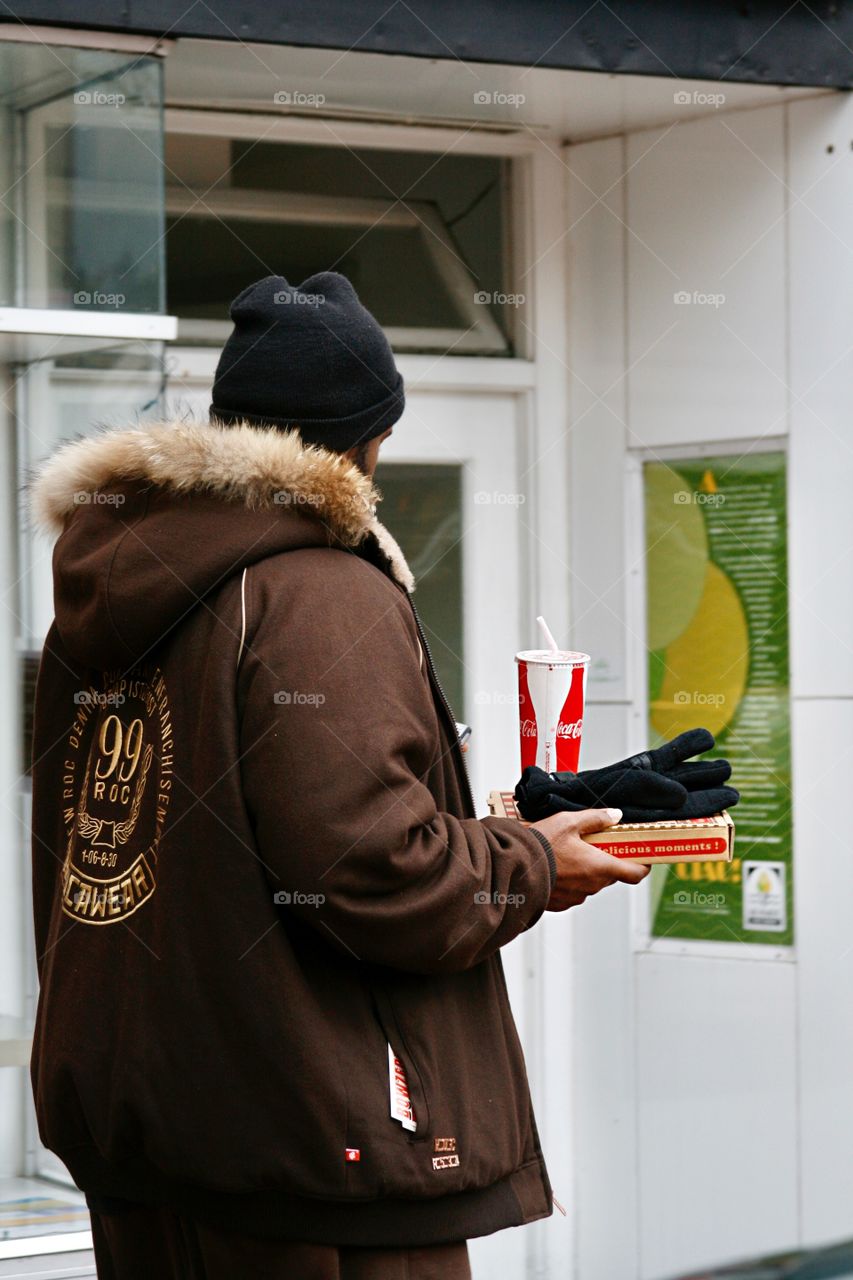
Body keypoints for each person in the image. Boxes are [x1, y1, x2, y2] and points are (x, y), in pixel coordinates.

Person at [28, 273, 649, 1279]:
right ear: (361, 442)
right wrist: (531, 861)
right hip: (319, 1160)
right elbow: (371, 867)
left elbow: (159, 844)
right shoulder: (319, 591)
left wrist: (499, 820)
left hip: (154, 1143)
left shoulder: (101, 600)